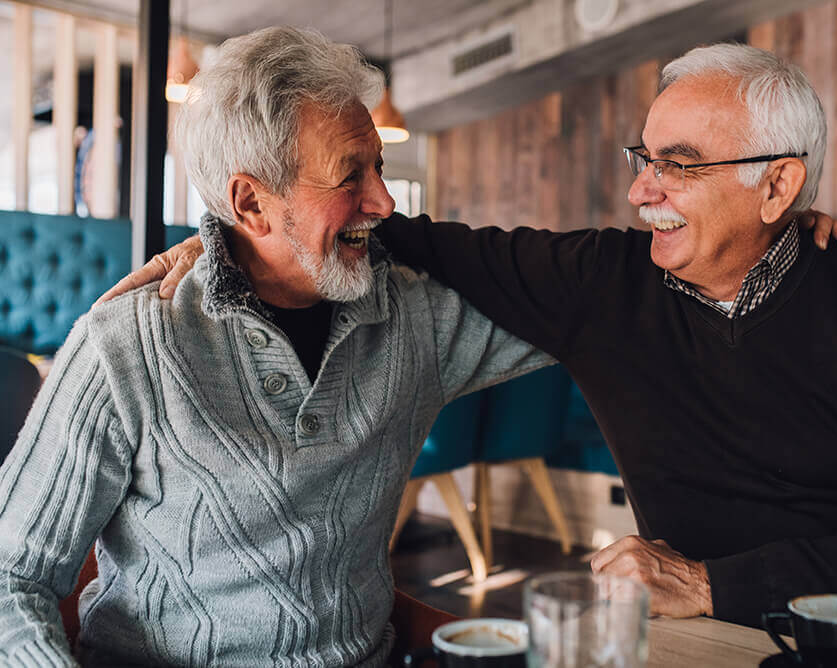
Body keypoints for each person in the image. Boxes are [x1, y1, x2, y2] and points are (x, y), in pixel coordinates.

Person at [130, 43, 837, 666]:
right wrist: (230, 244)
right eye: (644, 157)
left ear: (778, 185)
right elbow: (403, 233)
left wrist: (704, 582)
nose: (641, 191)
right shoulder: (605, 282)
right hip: (700, 637)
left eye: (680, 165)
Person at [0, 27, 552, 666]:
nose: (385, 201)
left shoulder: (413, 319)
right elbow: (11, 579)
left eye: (378, 166)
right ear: (251, 203)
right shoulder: (126, 345)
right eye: (350, 176)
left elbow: (584, 305)